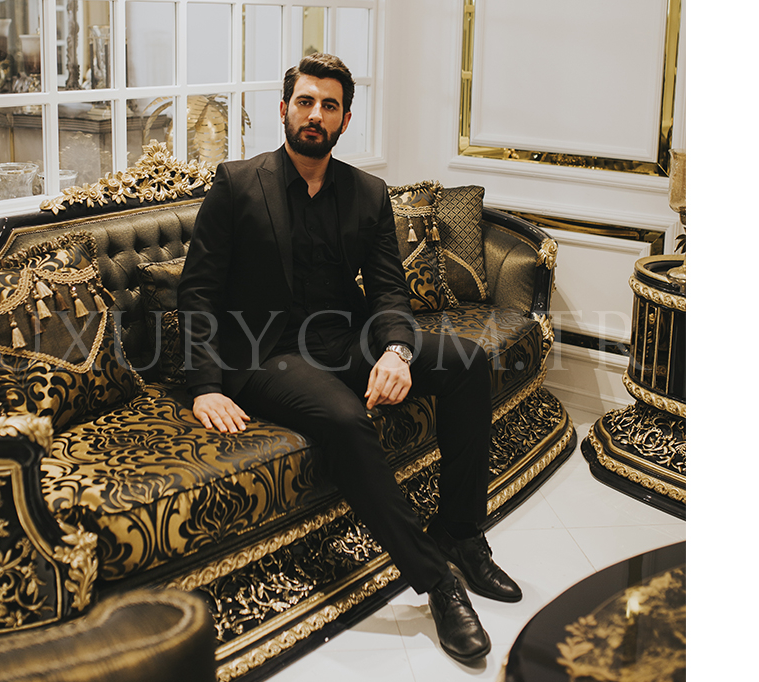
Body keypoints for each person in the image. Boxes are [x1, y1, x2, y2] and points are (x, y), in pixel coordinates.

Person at [177, 53, 521, 664]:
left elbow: (388, 290)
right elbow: (198, 291)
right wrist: (205, 383)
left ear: (345, 119)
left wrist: (396, 350)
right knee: (344, 418)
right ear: (283, 110)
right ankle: (437, 581)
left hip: (345, 338)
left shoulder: (367, 193)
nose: (315, 115)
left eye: (329, 105)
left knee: (466, 361)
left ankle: (462, 534)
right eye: (305, 102)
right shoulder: (236, 184)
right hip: (267, 352)